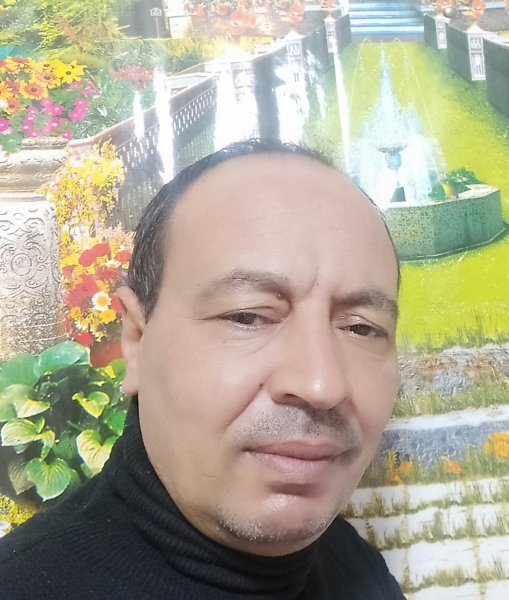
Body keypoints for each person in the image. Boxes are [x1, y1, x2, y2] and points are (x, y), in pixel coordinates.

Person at [0, 140, 405, 599]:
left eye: (361, 328)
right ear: (135, 341)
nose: (321, 383)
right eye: (246, 316)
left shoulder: (357, 569)